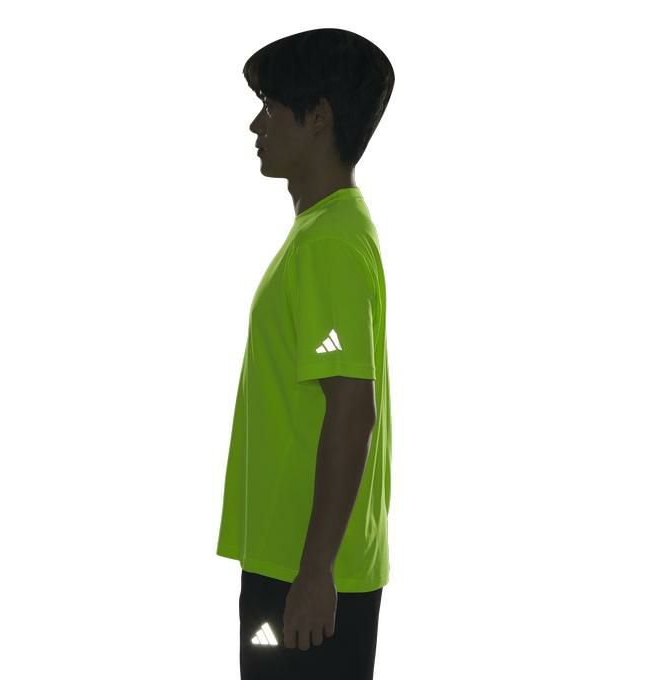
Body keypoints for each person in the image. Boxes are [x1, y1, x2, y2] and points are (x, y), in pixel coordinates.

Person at [215, 27, 395, 680]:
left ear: (317, 116)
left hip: (306, 575)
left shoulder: (329, 245)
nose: (255, 125)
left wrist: (316, 570)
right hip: (295, 562)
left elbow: (351, 409)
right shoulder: (323, 231)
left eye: (270, 106)